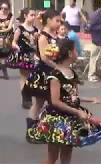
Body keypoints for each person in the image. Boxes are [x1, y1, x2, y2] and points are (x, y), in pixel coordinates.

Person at [26, 38, 101, 164]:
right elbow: (56, 101)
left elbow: (73, 96)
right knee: (52, 157)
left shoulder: (72, 72)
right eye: (75, 49)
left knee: (67, 155)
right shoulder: (55, 76)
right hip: (56, 120)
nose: (77, 51)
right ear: (69, 53)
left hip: (70, 119)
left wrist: (90, 99)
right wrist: (77, 112)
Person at [23, 9, 61, 144]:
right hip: (44, 73)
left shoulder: (55, 34)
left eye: (60, 21)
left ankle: (45, 130)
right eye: (57, 21)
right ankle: (31, 132)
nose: (59, 24)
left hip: (54, 72)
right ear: (49, 20)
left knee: (54, 103)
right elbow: (44, 58)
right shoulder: (43, 36)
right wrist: (58, 67)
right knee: (39, 103)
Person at [6, 8, 38, 109]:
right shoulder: (20, 28)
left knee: (31, 77)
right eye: (31, 15)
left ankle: (29, 97)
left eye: (34, 15)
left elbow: (36, 43)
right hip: (23, 55)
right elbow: (14, 41)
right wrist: (16, 46)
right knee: (24, 77)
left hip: (32, 56)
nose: (33, 17)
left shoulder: (36, 30)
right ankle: (26, 99)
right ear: (25, 16)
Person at [0, 2, 14, 80]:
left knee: (3, 42)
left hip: (7, 35)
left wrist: (2, 31)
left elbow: (9, 28)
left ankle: (3, 67)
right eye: (1, 8)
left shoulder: (10, 16)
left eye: (5, 8)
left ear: (8, 9)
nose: (3, 10)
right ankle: (4, 70)